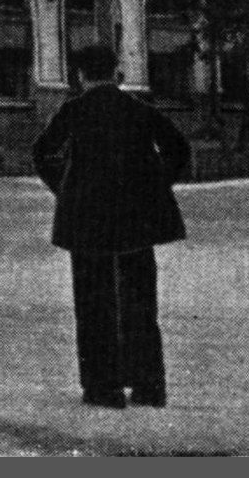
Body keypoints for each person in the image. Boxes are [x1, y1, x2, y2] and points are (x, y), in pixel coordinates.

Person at [31, 43, 191, 409]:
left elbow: (42, 153)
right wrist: (153, 188)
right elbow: (179, 149)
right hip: (137, 224)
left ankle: (104, 389)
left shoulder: (74, 111)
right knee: (140, 302)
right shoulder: (138, 108)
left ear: (81, 75)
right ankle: (149, 387)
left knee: (93, 305)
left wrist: (66, 190)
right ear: (116, 72)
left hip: (87, 224)